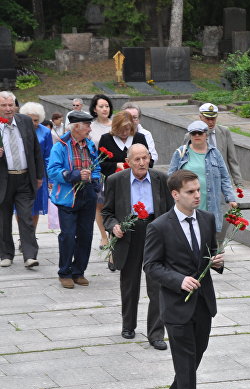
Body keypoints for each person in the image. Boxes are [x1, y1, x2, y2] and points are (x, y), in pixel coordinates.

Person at [143, 169, 225, 389]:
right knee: (185, 365)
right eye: (191, 192)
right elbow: (151, 266)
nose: (197, 195)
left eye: (198, 190)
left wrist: (217, 262)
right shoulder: (159, 226)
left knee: (194, 359)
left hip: (203, 305)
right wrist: (179, 281)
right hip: (177, 308)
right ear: (175, 195)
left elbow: (211, 254)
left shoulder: (207, 219)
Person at [102, 143, 173, 347]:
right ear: (128, 162)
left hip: (155, 231)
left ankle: (156, 334)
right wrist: (114, 226)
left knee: (157, 285)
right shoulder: (116, 180)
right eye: (137, 159)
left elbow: (170, 211)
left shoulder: (161, 179)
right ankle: (128, 325)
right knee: (130, 283)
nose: (142, 163)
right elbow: (106, 213)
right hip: (129, 233)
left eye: (145, 158)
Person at [46, 110, 101, 289]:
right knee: (68, 235)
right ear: (76, 127)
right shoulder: (60, 146)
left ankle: (79, 272)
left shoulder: (90, 145)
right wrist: (74, 175)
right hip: (67, 197)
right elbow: (52, 170)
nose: (90, 128)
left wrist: (94, 181)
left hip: (87, 195)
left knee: (86, 234)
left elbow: (97, 167)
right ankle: (65, 272)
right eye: (87, 125)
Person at [168, 120, 237, 234]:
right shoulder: (181, 153)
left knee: (207, 237)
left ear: (206, 134)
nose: (196, 136)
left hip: (209, 204)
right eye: (193, 133)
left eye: (199, 133)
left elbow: (224, 177)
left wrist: (230, 198)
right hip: (186, 203)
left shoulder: (215, 153)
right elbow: (171, 177)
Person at [0, 91, 43, 269]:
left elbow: (36, 151)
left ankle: (30, 255)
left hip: (25, 177)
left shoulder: (25, 121)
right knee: (3, 218)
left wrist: (39, 175)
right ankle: (5, 254)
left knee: (26, 217)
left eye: (11, 105)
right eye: (4, 105)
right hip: (3, 179)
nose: (8, 109)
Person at [18, 102, 53, 233]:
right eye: (30, 120)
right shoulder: (18, 130)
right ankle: (23, 235)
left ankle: (31, 234)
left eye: (36, 120)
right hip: (20, 173)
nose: (33, 123)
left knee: (36, 206)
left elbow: (48, 155)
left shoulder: (45, 132)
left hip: (39, 174)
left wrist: (50, 178)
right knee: (20, 207)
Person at [198, 103, 244, 189]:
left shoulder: (224, 132)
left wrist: (238, 182)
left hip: (221, 181)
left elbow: (232, 159)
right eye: (207, 119)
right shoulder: (192, 135)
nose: (211, 122)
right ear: (200, 117)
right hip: (201, 181)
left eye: (213, 118)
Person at [89, 94, 114, 248]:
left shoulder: (115, 124)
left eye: (107, 106)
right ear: (94, 109)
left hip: (113, 168)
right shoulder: (91, 126)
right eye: (101, 106)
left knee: (114, 204)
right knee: (99, 204)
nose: (105, 109)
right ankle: (103, 236)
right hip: (97, 170)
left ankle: (114, 233)